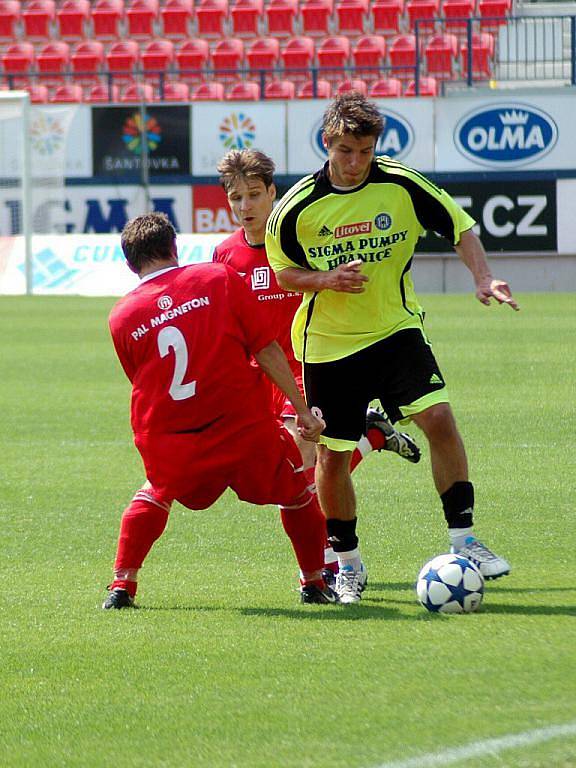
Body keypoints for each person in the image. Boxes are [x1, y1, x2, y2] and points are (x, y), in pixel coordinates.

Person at [265, 92, 520, 604]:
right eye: (345, 151)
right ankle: (349, 565)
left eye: (364, 150)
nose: (356, 162)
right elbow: (282, 271)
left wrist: (484, 278)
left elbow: (459, 226)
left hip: (396, 331)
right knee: (333, 459)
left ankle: (464, 540)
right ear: (327, 143)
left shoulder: (401, 184)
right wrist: (325, 279)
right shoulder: (296, 208)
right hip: (330, 347)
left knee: (440, 420)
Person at [103, 212, 338, 609]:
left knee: (156, 493)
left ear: (130, 264)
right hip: (241, 426)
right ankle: (313, 582)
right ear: (174, 248)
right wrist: (302, 410)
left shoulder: (121, 317)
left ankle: (122, 586)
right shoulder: (217, 278)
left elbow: (144, 380)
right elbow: (265, 348)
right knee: (297, 492)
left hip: (173, 438)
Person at [212, 147, 421, 577]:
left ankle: (328, 565)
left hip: (311, 367)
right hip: (262, 381)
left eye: (254, 194)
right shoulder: (224, 256)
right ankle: (372, 436)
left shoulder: (298, 237)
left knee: (303, 474)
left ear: (273, 192)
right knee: (299, 473)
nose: (245, 206)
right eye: (236, 198)